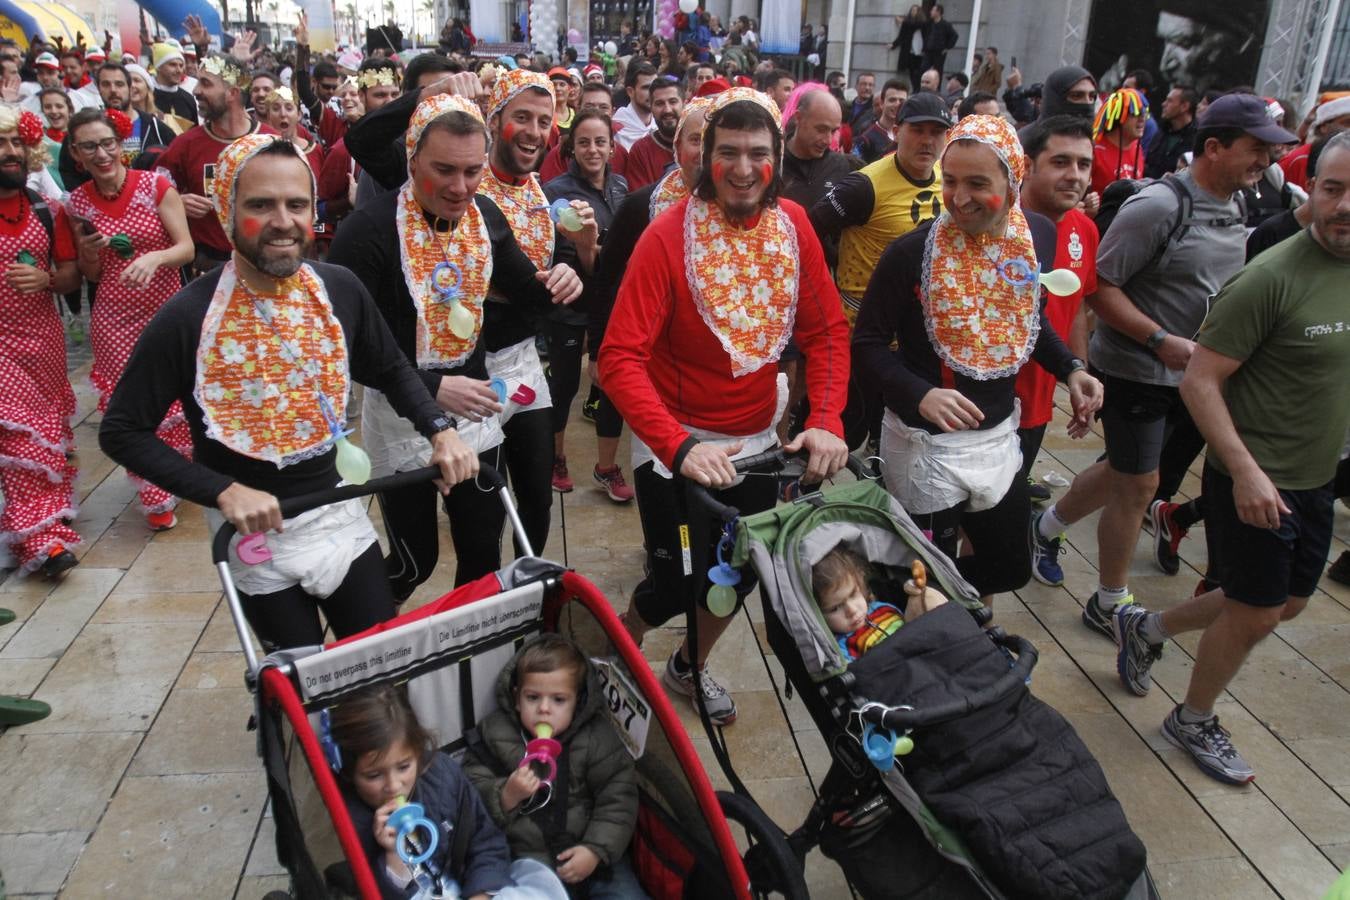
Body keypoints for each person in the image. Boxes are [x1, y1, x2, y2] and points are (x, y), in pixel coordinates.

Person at [100, 134, 477, 650]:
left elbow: (390, 367)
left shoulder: (340, 288)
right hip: (254, 536)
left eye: (296, 204)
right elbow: (122, 431)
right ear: (226, 209)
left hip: (336, 514)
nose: (283, 221)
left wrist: (439, 430)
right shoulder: (187, 317)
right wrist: (222, 491)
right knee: (296, 681)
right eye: (261, 204)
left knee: (375, 662)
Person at [601, 88, 851, 724]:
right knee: (672, 586)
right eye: (730, 152)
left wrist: (824, 420)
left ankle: (689, 666)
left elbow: (825, 333)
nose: (744, 168)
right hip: (677, 444)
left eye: (759, 153)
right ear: (704, 158)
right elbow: (619, 359)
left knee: (736, 577)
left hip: (760, 443)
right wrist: (679, 447)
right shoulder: (665, 238)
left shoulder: (794, 225)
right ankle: (615, 647)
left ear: (778, 161)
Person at [1111, 130, 1350, 785]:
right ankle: (1191, 720)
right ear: (1314, 190)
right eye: (1332, 189)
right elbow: (1199, 380)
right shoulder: (1270, 278)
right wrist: (1242, 469)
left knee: (1291, 602)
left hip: (1316, 476)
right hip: (1255, 477)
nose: (1343, 205)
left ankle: (1148, 627)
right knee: (1256, 610)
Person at [1027, 95, 1294, 633]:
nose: (1265, 161)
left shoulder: (1242, 204)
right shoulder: (1157, 208)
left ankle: (1045, 525)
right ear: (1213, 148)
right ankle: (1109, 600)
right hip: (1136, 371)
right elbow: (1099, 292)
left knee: (1126, 473)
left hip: (1198, 376)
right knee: (1140, 483)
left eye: (1271, 150)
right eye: (1256, 148)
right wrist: (1156, 340)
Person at [330, 85, 585, 596]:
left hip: (471, 418)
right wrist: (429, 386)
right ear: (412, 157)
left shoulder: (486, 216)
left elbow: (530, 296)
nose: (461, 186)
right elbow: (344, 350)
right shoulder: (367, 231)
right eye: (444, 170)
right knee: (414, 561)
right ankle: (365, 646)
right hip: (400, 417)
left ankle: (469, 660)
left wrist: (566, 273)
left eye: (472, 171)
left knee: (481, 550)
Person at [853, 114, 1103, 605]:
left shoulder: (1035, 235)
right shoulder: (911, 253)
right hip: (927, 446)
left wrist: (1072, 369)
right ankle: (907, 628)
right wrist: (919, 394)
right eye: (949, 181)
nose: (959, 197)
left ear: (1015, 178)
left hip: (996, 439)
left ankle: (880, 583)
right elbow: (867, 345)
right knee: (927, 584)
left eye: (977, 183)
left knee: (1009, 565)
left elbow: (1031, 320)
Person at [67, 108, 194, 529]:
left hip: (165, 311)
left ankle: (178, 468)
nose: (102, 154)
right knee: (133, 404)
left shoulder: (155, 185)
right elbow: (90, 275)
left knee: (176, 396)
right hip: (113, 318)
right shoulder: (78, 203)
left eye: (108, 143)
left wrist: (155, 257)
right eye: (90, 146)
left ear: (121, 144)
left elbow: (185, 248)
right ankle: (155, 494)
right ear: (76, 154)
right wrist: (89, 250)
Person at [327, 684, 568, 899]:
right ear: (349, 773)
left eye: (403, 767)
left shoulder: (442, 776)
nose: (393, 785)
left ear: (419, 754)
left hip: (467, 886)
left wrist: (481, 894)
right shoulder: (347, 819)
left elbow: (485, 842)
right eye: (374, 775)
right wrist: (393, 857)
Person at [811, 93, 951, 449]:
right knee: (848, 428)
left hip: (918, 334)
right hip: (864, 332)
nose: (927, 140)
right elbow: (808, 230)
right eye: (918, 130)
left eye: (937, 132)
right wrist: (824, 290)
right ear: (897, 131)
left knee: (898, 428)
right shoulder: (865, 185)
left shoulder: (946, 179)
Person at [463, 634, 645, 897]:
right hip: (528, 863)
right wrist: (505, 794)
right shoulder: (494, 734)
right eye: (533, 697)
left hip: (591, 854)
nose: (544, 709)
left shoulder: (596, 737)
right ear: (516, 698)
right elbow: (470, 788)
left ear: (578, 701)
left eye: (559, 700)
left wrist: (595, 849)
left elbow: (617, 798)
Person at [0, 107, 84, 577]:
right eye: (0, 144)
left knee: (44, 440)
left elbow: (72, 276)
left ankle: (34, 524)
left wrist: (48, 278)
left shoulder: (46, 209)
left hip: (43, 343)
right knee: (21, 438)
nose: (10, 153)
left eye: (15, 142)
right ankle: (43, 540)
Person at [543, 111, 633, 501]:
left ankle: (606, 468)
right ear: (571, 148)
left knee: (612, 385)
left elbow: (622, 251)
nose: (593, 150)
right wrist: (587, 249)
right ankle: (555, 458)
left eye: (600, 142)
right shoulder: (555, 191)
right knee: (563, 387)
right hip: (568, 305)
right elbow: (555, 255)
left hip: (609, 302)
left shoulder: (621, 187)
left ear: (612, 147)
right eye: (584, 142)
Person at [1014, 116, 1098, 504]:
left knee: (1007, 507)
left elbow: (1076, 307)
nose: (1074, 176)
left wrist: (1078, 373)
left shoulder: (1085, 229)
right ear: (1027, 166)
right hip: (981, 405)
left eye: (1084, 164)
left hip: (1038, 403)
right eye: (1061, 162)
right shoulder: (997, 228)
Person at [155, 55, 274, 276]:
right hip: (207, 271)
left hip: (264, 266)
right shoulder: (185, 145)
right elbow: (149, 195)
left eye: (206, 83)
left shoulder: (272, 142)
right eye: (198, 81)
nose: (196, 90)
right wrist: (176, 202)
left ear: (233, 93)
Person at [812, 547, 947, 660]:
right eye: (835, 608)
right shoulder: (843, 648)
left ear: (861, 585)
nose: (852, 610)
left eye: (853, 594)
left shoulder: (885, 609)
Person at [623, 77, 681, 189]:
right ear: (651, 107)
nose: (667, 110)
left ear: (685, 103)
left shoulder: (699, 144)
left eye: (673, 102)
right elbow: (638, 200)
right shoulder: (641, 150)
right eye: (659, 104)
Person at [1090, 88, 1147, 196]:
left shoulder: (1137, 148)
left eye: (1144, 113)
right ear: (1118, 116)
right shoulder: (1094, 150)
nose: (1142, 119)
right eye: (1135, 113)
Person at [1145, 85, 1197, 178]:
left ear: (1184, 106)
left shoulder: (1197, 138)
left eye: (1169, 101)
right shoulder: (1160, 132)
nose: (1163, 104)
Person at [853, 78, 907, 164]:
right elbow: (855, 171)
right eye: (892, 100)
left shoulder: (910, 135)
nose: (897, 104)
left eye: (902, 101)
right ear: (881, 103)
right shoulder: (865, 139)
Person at [151, 40, 198, 126]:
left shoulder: (188, 99)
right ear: (158, 67)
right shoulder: (147, 96)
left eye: (181, 65)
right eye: (173, 65)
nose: (179, 70)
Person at [612, 62, 656, 150]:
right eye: (646, 88)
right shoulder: (616, 128)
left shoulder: (661, 124)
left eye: (655, 86)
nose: (653, 93)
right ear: (630, 92)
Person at [891, 6, 928, 92]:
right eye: (912, 10)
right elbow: (902, 36)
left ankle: (919, 89)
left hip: (920, 52)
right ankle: (915, 89)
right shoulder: (907, 24)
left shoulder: (923, 24)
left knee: (919, 72)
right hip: (911, 51)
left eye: (915, 10)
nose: (913, 12)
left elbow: (916, 25)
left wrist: (903, 21)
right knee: (912, 72)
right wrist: (893, 44)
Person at [922, 5, 958, 84]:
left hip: (939, 52)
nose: (931, 12)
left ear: (938, 12)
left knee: (938, 71)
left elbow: (954, 36)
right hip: (928, 51)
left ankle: (936, 89)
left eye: (933, 10)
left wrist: (947, 47)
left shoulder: (945, 25)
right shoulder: (929, 23)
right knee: (923, 69)